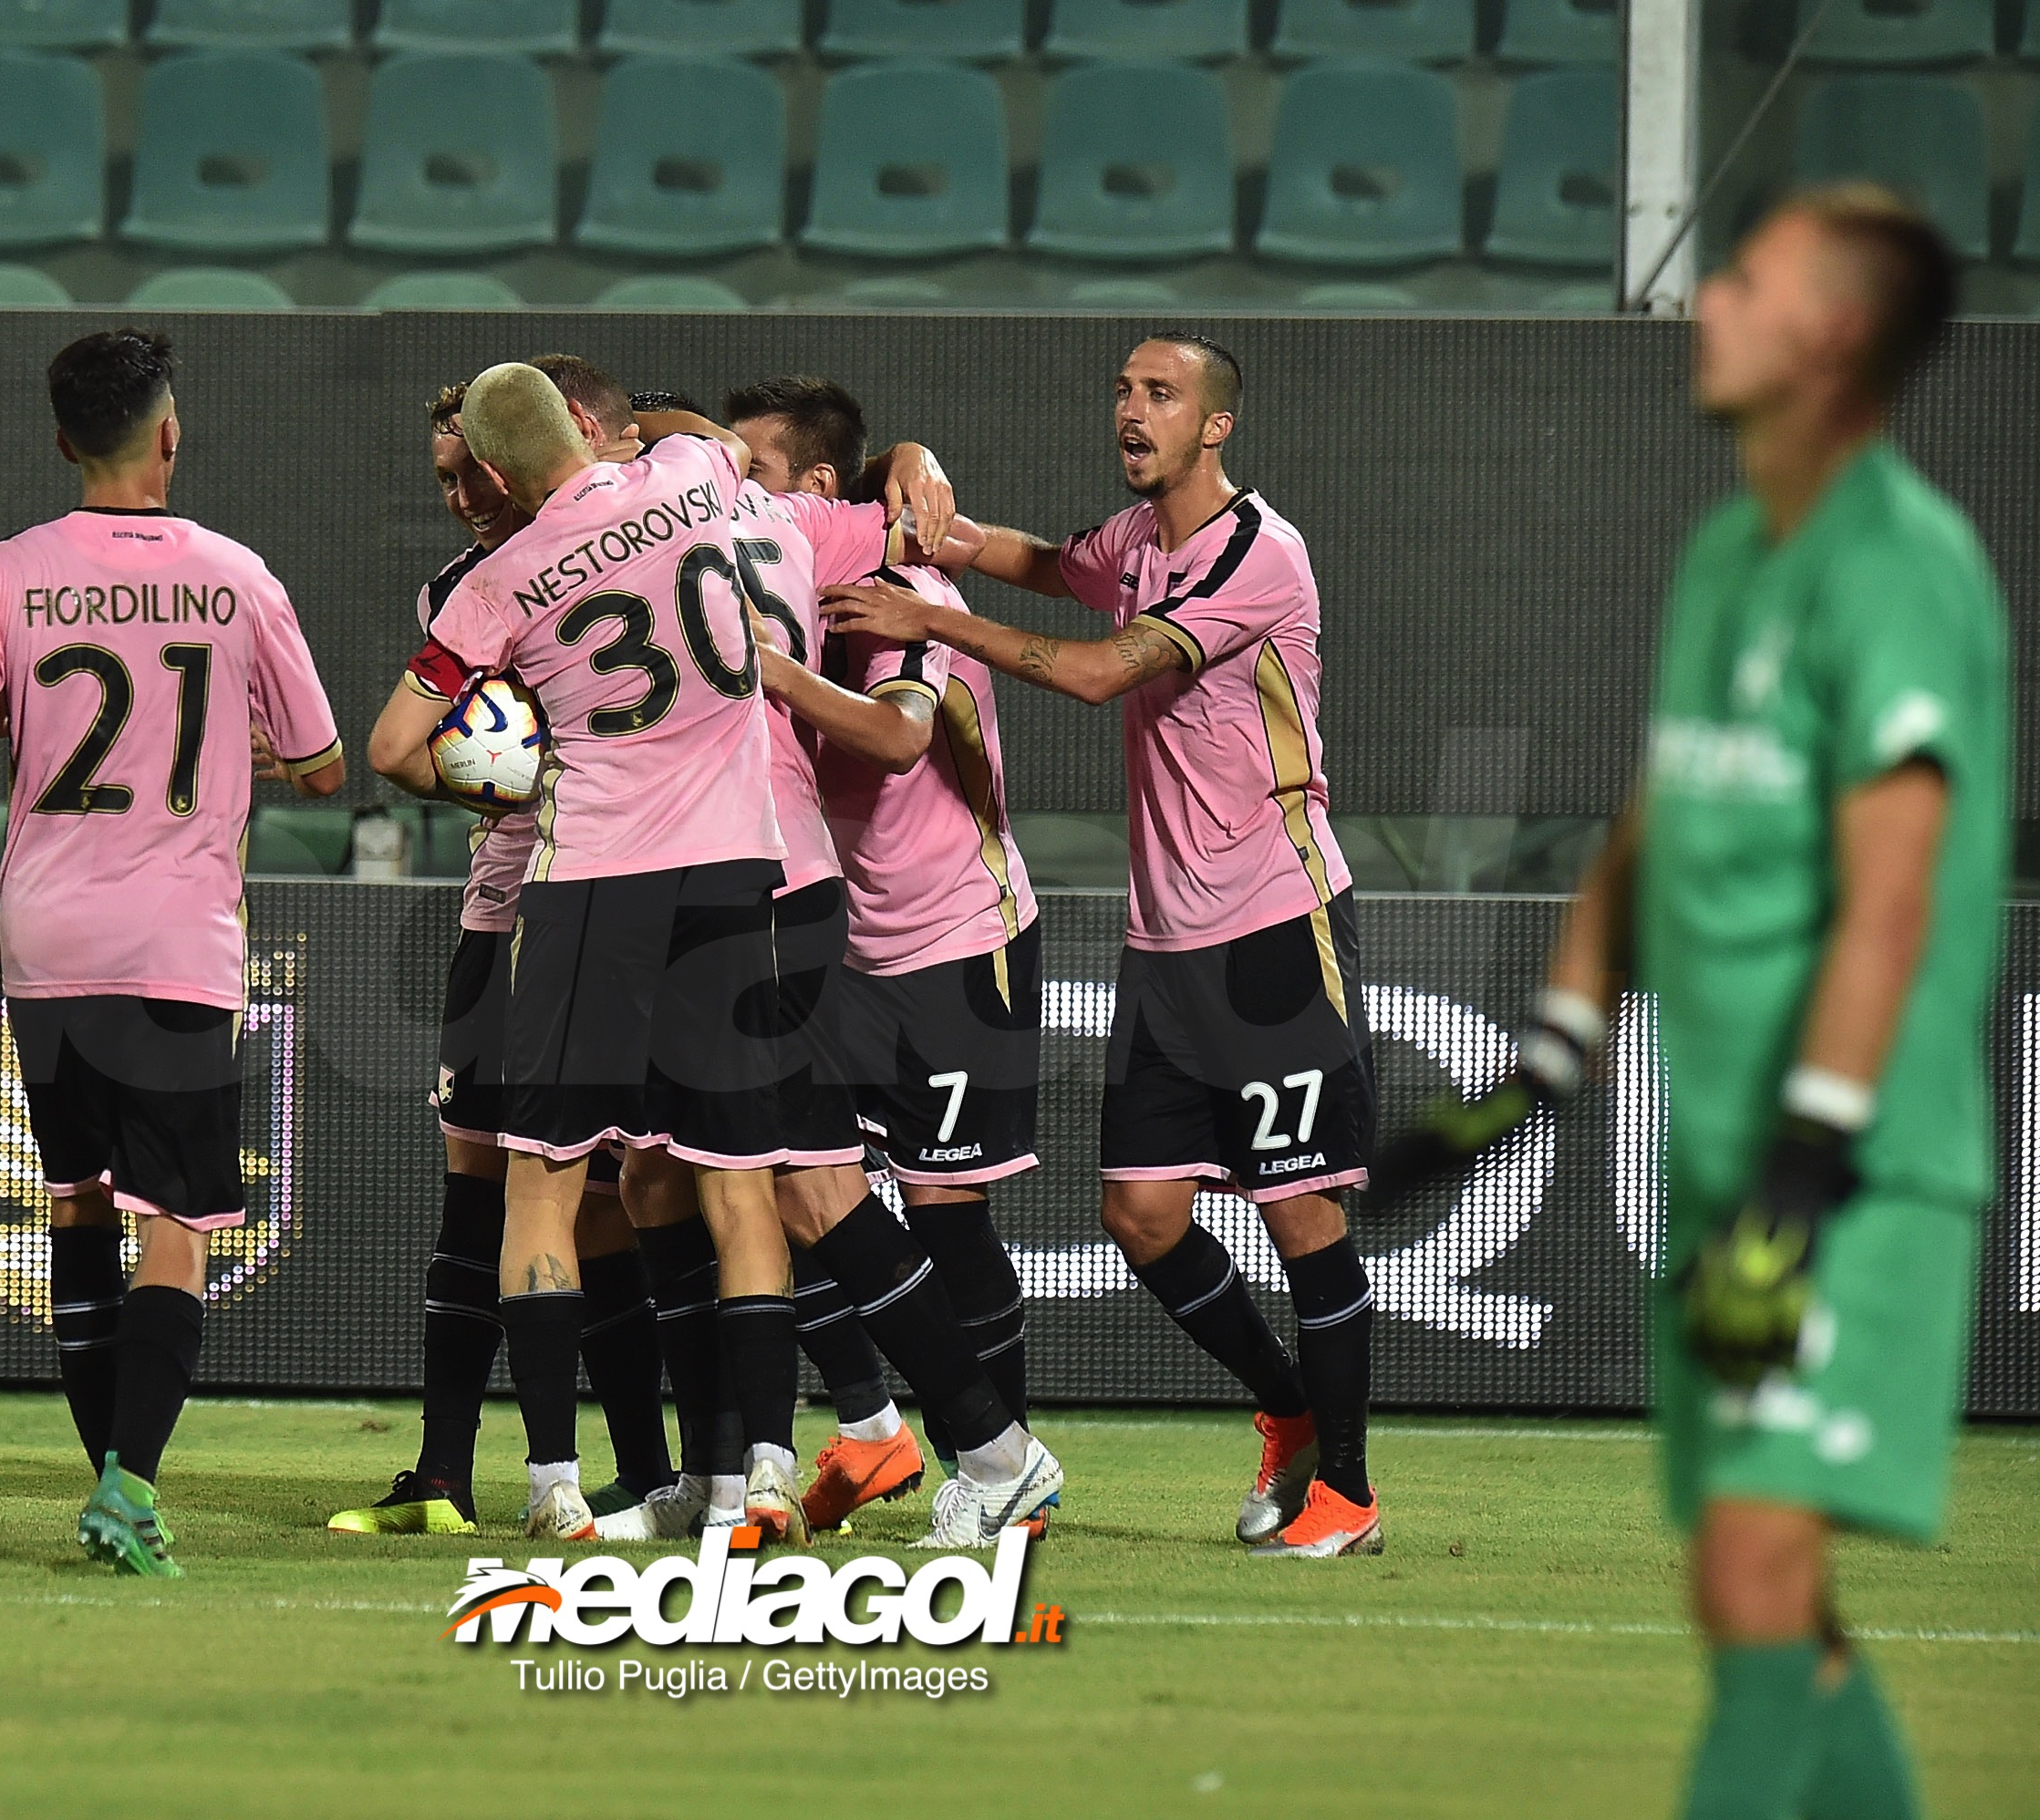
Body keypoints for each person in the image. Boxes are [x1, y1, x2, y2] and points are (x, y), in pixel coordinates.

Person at [1379, 187, 2003, 1820]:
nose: (1707, 297)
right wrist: (1544, 1064)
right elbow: (1656, 828)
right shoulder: (1732, 549)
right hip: (1730, 1163)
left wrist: (1809, 1170)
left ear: (1835, 336)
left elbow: (1896, 892)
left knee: (1751, 1567)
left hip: (1849, 1177)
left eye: (1748, 276)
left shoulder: (1902, 568)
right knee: (1766, 1607)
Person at [823, 335, 1383, 1557]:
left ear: (1217, 425)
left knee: (1304, 1218)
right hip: (1167, 940)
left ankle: (1346, 1490)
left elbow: (1094, 673)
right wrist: (927, 494)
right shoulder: (1136, 542)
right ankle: (1288, 1412)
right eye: (1125, 391)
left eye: (1160, 394)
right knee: (1141, 1215)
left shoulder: (1256, 554)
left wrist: (932, 617)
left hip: (1276, 926)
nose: (1131, 411)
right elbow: (1042, 564)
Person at [0, 329, 344, 1577]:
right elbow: (321, 761)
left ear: (62, 441)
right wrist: (231, 755)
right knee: (179, 1223)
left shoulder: (5, 572)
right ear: (169, 434)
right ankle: (132, 1484)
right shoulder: (239, 577)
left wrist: (22, 723)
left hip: (47, 934)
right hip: (175, 940)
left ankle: (108, 1479)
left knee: (78, 1205)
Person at [367, 364, 807, 1544]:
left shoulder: (496, 580)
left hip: (589, 883)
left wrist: (516, 778)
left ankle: (555, 1487)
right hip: (729, 869)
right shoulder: (689, 472)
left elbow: (396, 746)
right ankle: (764, 1475)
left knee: (545, 1180)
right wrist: (645, 428)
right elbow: (714, 433)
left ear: (498, 474)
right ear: (587, 432)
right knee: (735, 1178)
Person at [701, 375, 1062, 1548]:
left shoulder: (904, 591)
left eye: (749, 466)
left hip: (958, 934)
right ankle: (882, 1427)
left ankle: (994, 1458)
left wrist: (774, 673)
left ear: (812, 487)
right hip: (841, 943)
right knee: (809, 1196)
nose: (729, 488)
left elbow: (901, 737)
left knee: (949, 1217)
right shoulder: (781, 579)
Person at [326, 365, 674, 1537]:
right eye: (442, 478)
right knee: (475, 1192)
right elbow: (420, 752)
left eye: (471, 468)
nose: (462, 495)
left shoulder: (632, 541)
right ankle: (439, 1474)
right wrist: (497, 792)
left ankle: (647, 1468)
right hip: (503, 916)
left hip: (607, 912)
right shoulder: (457, 593)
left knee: (612, 1204)